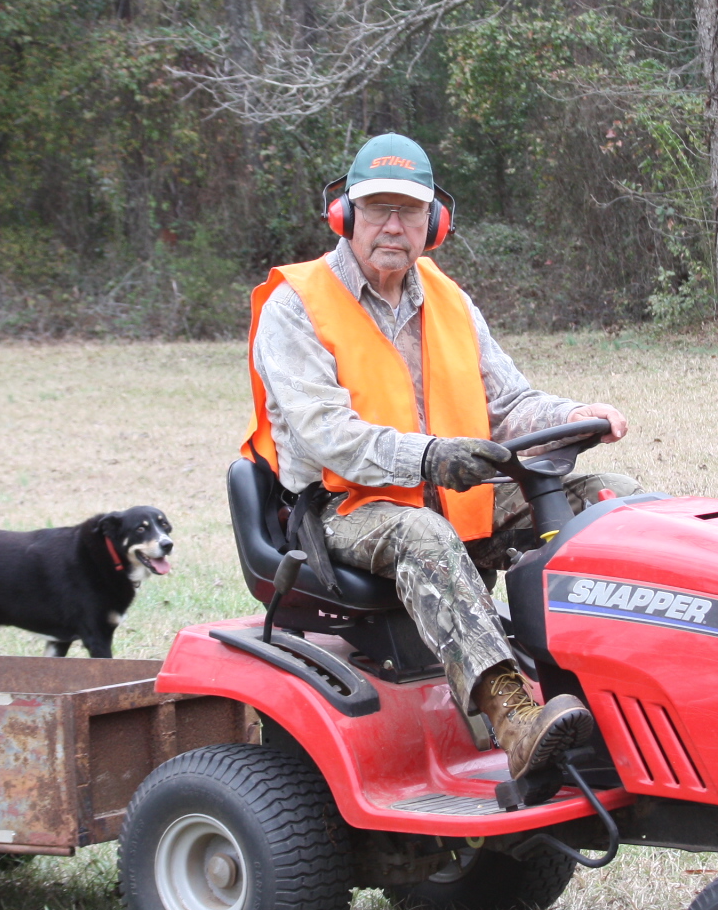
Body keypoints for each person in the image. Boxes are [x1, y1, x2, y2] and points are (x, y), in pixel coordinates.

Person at [244, 133, 642, 779]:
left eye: (409, 210)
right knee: (423, 533)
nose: (393, 226)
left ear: (436, 222)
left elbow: (509, 402)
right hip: (347, 509)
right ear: (344, 215)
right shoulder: (296, 307)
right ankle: (513, 718)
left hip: (455, 490)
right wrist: (431, 459)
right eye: (377, 209)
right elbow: (328, 436)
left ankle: (609, 686)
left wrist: (571, 415)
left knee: (608, 500)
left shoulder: (450, 302)